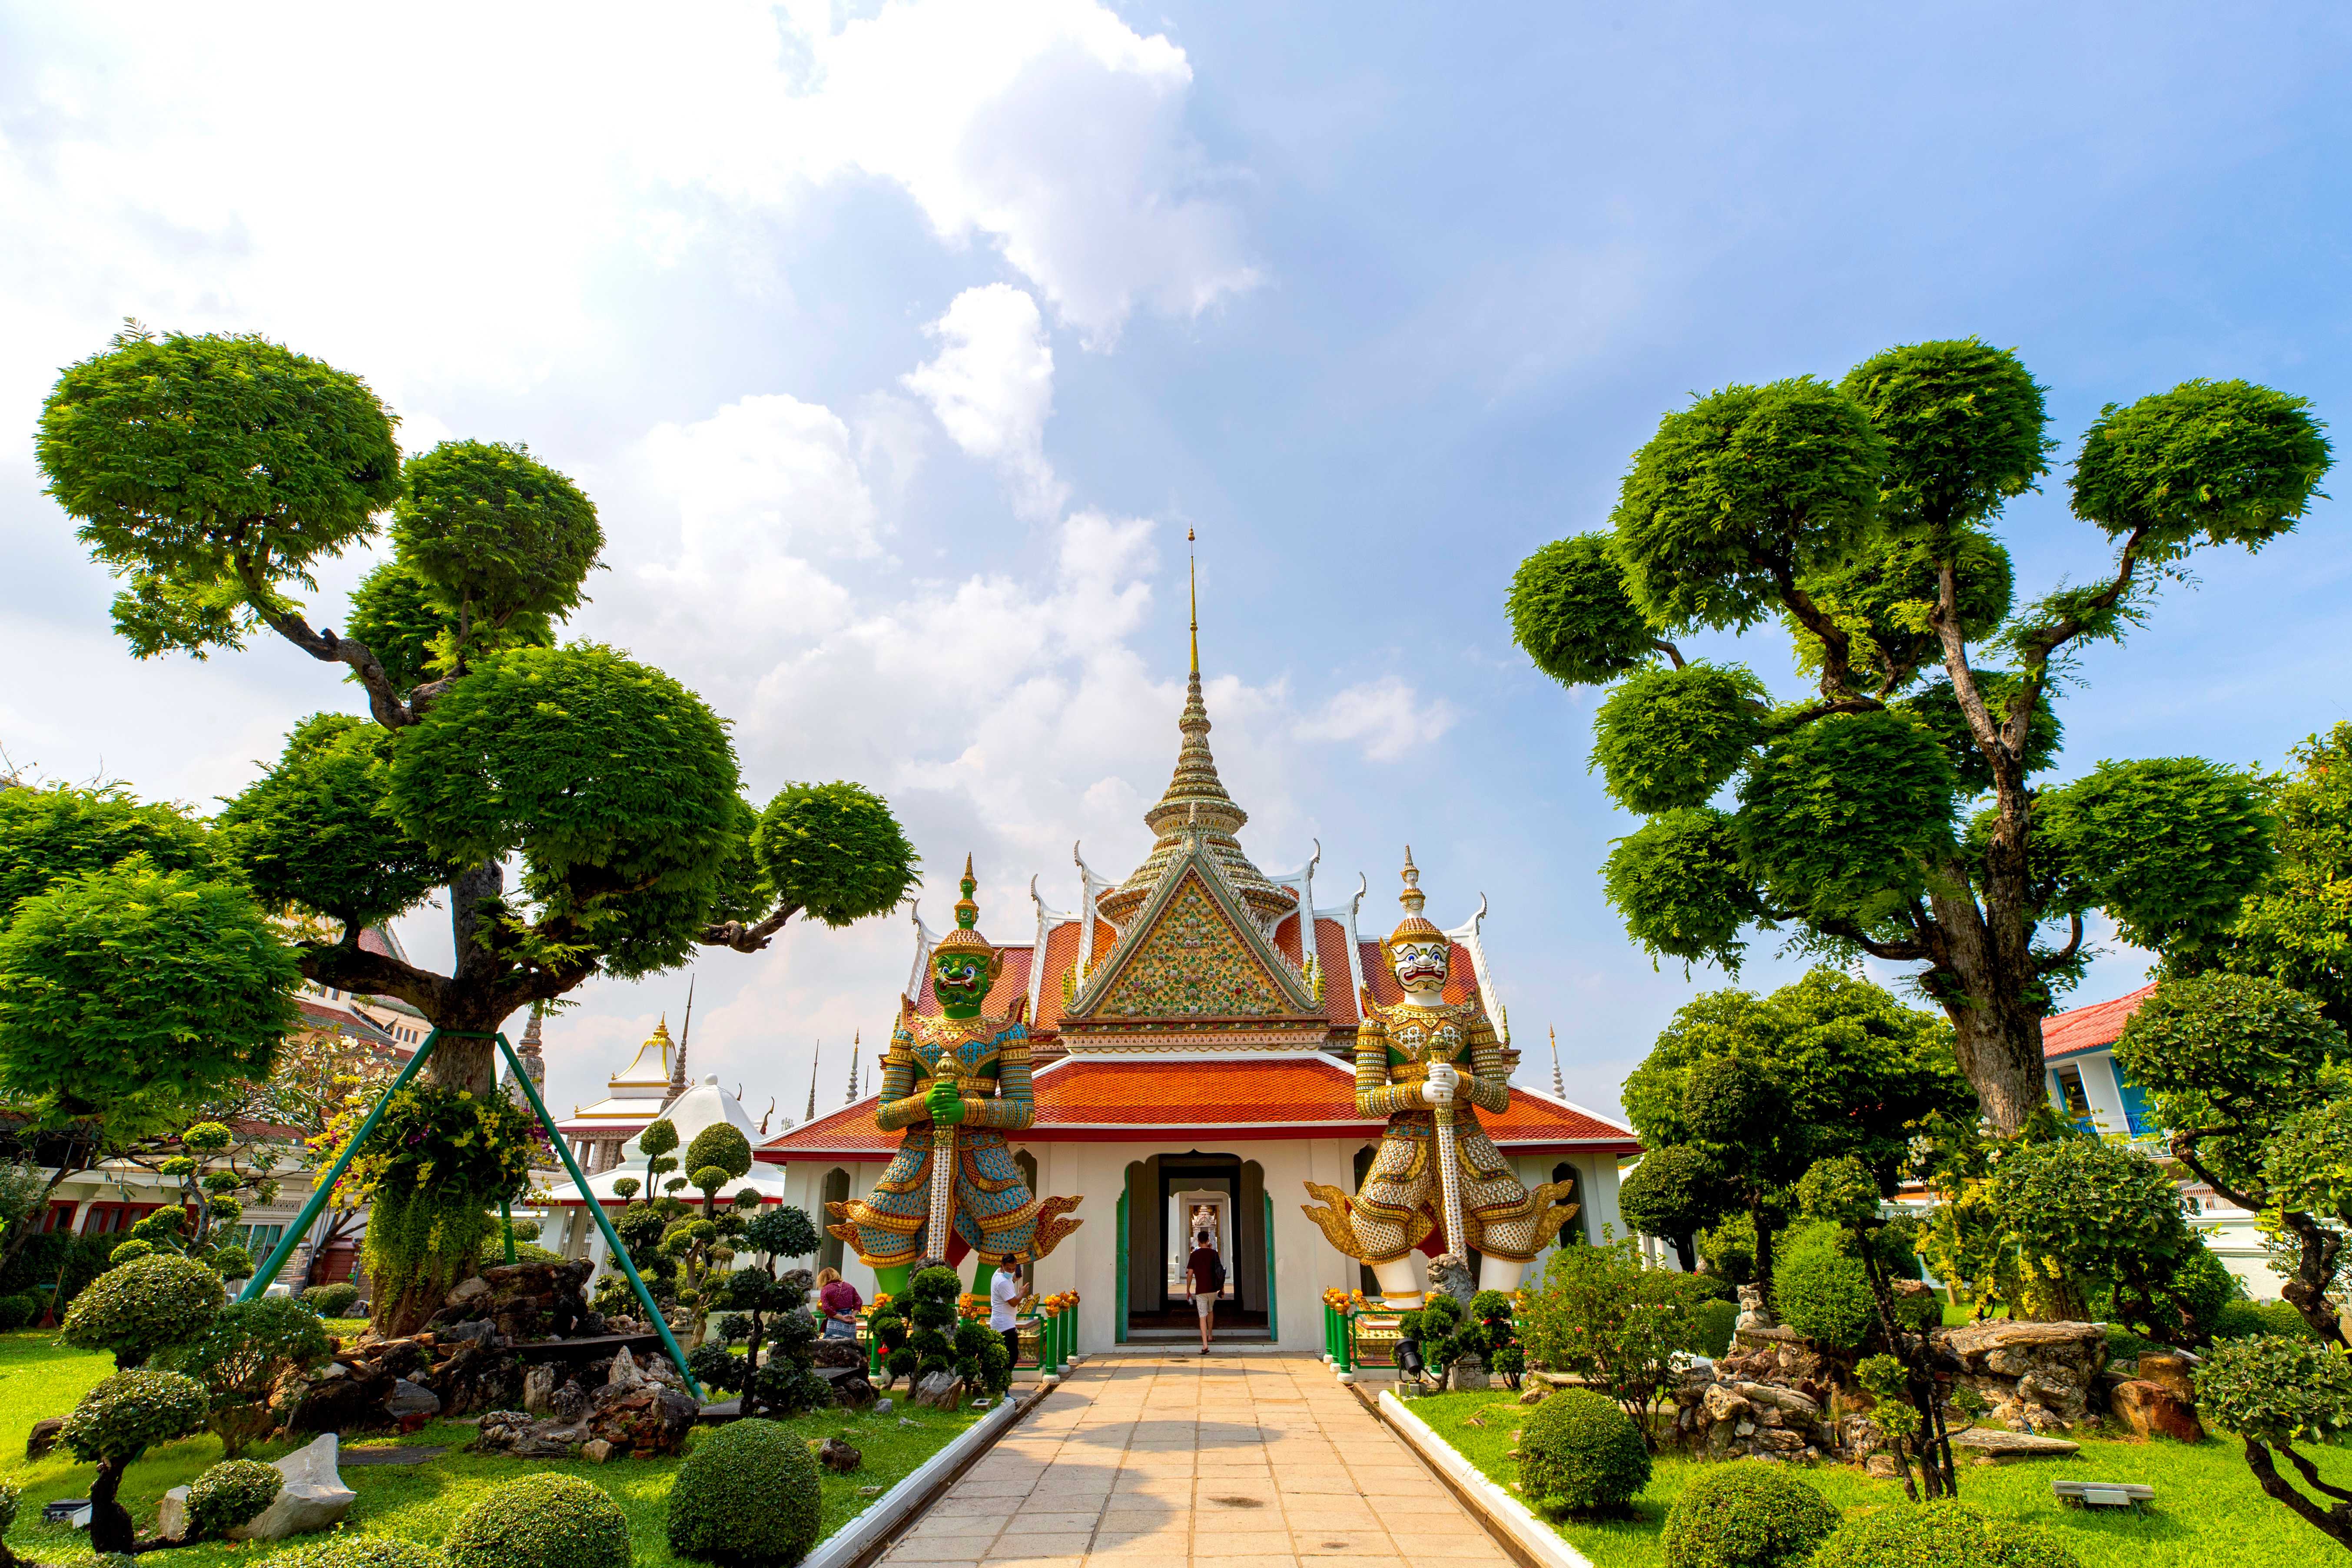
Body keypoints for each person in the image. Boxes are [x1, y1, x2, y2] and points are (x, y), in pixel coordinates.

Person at [1186, 1229, 1224, 1354]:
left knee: (1202, 1316)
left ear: (1198, 1241)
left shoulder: (1194, 1255)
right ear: (1208, 1241)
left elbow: (1190, 1274)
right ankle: (1210, 1335)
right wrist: (1222, 1288)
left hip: (1200, 1289)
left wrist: (1188, 1290)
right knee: (1210, 1310)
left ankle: (1205, 1344)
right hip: (1212, 1289)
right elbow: (1220, 1272)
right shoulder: (1214, 1254)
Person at [990, 1253, 1028, 1374]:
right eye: (1008, 1269)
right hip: (1005, 1325)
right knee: (1012, 1357)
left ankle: (1001, 1386)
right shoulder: (1002, 1282)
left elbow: (1009, 1279)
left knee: (1006, 1358)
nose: (1011, 1271)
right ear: (1002, 1265)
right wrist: (1022, 1293)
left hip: (1003, 1323)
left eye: (1013, 1269)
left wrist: (1014, 1278)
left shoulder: (999, 1275)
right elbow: (1013, 1302)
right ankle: (1002, 1386)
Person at [816, 1266, 862, 1339]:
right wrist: (853, 1315)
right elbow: (859, 1302)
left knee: (831, 1344)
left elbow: (826, 1308)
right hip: (850, 1320)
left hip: (835, 1321)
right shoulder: (849, 1287)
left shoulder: (826, 1289)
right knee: (851, 1344)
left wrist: (842, 1318)